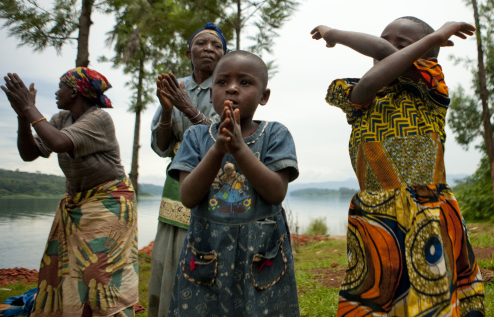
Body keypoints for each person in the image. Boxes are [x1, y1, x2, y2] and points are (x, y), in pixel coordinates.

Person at [311, 18, 485, 316]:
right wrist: (435, 37)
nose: (388, 47)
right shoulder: (360, 97)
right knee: (378, 290)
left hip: (426, 208)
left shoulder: (431, 89)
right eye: (384, 40)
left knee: (432, 288)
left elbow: (384, 52)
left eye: (403, 44)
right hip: (375, 215)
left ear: (428, 55)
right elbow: (374, 69)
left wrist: (334, 34)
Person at [166, 50, 300, 316]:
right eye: (222, 82)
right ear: (212, 90)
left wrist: (239, 148)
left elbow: (276, 193)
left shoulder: (275, 134)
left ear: (264, 96)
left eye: (245, 82)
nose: (232, 89)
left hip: (261, 251)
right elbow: (188, 197)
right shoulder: (195, 137)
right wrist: (218, 150)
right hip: (208, 249)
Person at [1, 68, 138, 317]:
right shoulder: (60, 119)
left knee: (99, 274)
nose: (56, 92)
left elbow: (60, 143)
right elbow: (29, 154)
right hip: (78, 204)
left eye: (60, 87)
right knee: (67, 270)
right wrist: (23, 116)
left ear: (74, 91)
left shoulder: (99, 119)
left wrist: (29, 108)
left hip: (109, 203)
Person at [148, 22, 227, 317]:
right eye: (201, 44)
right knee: (172, 252)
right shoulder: (175, 86)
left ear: (224, 55)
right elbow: (161, 147)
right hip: (178, 178)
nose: (208, 49)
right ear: (188, 53)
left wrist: (188, 109)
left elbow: (225, 137)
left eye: (216, 46)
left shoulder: (226, 87)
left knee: (209, 249)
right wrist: (168, 110)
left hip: (217, 180)